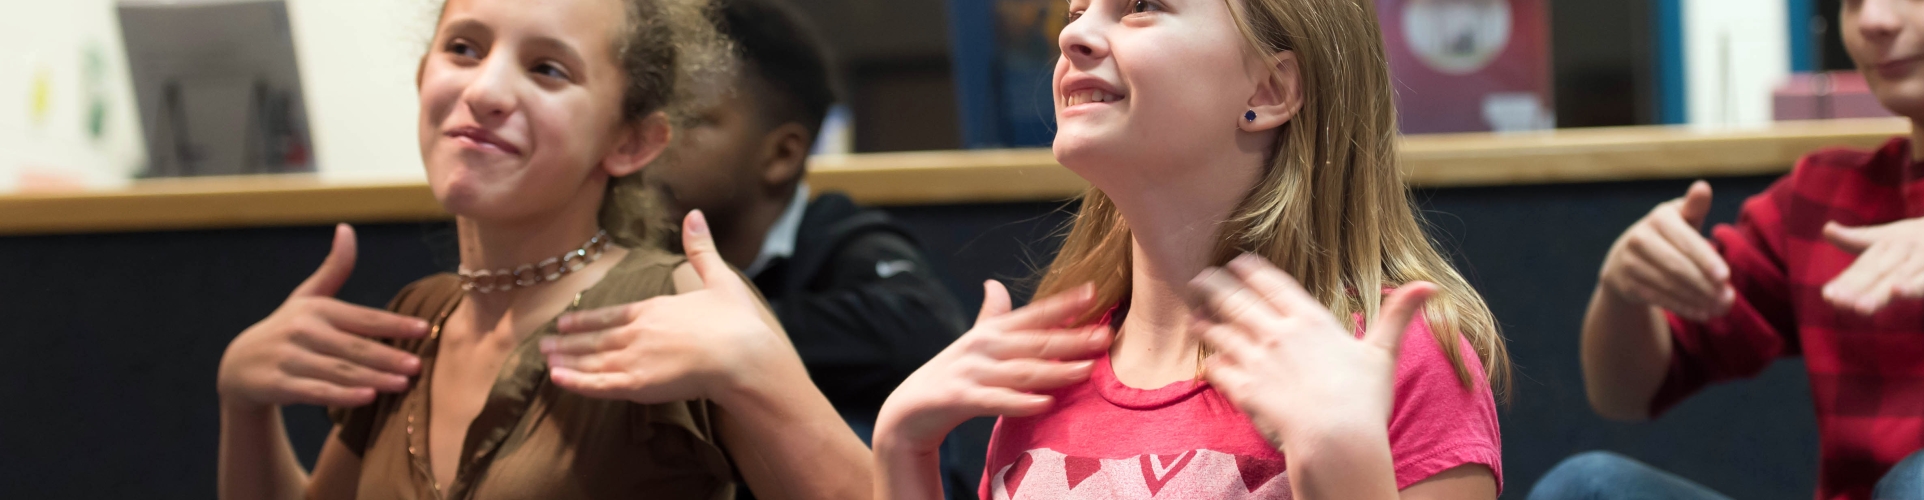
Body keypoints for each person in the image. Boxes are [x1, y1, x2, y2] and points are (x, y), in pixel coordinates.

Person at [212, 0, 870, 498]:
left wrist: (766, 379)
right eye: (464, 49)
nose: (485, 92)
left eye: (548, 69)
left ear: (632, 142)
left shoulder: (675, 304)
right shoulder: (419, 320)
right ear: (423, 80)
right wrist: (244, 403)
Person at [870, 0, 1513, 498]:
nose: (1072, 35)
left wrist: (1341, 461)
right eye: (1076, 11)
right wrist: (902, 446)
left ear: (1268, 89)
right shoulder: (1050, 363)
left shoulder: (1392, 355)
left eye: (1141, 3)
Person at [1537, 0, 1924, 498]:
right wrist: (1624, 290)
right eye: (1853, 2)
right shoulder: (1820, 198)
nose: (1872, 21)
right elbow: (1624, 395)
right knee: (1587, 485)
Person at [649, 0, 976, 496]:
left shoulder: (840, 237)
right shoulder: (635, 248)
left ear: (781, 154)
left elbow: (924, 328)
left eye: (689, 119)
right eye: (649, 115)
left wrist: (735, 341)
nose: (657, 138)